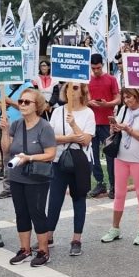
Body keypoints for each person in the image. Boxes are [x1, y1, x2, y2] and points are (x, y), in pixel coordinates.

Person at [0, 89, 57, 266]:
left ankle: (43, 251)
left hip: (36, 177)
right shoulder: (16, 124)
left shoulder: (44, 127)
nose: (22, 104)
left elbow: (51, 154)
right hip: (17, 176)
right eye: (21, 101)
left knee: (37, 213)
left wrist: (30, 157)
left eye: (27, 102)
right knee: (21, 213)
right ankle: (25, 249)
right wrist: (4, 130)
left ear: (36, 105)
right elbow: (6, 149)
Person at [47, 83, 95, 256]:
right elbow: (49, 138)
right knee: (54, 200)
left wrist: (74, 125)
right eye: (67, 87)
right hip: (59, 160)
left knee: (79, 199)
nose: (70, 90)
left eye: (75, 87)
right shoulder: (57, 111)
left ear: (82, 91)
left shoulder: (89, 113)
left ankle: (76, 239)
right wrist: (69, 138)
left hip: (80, 162)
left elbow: (86, 140)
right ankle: (48, 236)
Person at [101, 89, 139, 246]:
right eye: (125, 97)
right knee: (119, 194)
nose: (128, 101)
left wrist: (128, 129)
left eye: (130, 97)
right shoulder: (123, 109)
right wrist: (115, 128)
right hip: (121, 156)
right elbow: (116, 132)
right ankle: (115, 228)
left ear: (138, 96)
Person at [88, 53, 121, 199]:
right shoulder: (87, 80)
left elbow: (118, 98)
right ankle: (100, 183)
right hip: (91, 123)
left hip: (107, 122)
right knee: (93, 155)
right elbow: (83, 98)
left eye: (98, 68)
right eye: (93, 68)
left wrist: (107, 104)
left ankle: (113, 184)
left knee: (110, 155)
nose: (96, 71)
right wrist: (89, 102)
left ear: (103, 65)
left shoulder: (111, 79)